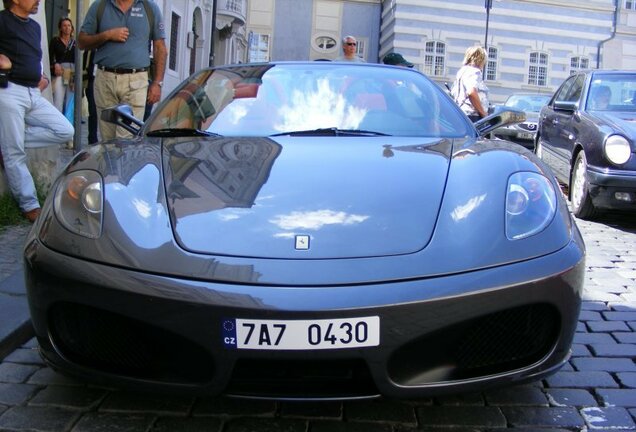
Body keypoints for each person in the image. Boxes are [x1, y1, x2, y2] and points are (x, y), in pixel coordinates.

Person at [0, 0, 75, 222]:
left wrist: (41, 75)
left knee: (65, 130)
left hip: (34, 92)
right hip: (9, 91)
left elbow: (35, 56)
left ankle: (8, 143)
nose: (39, 1)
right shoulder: (2, 21)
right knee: (15, 154)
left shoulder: (35, 26)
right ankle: (29, 204)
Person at [78, 0, 167, 141]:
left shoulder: (150, 8)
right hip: (105, 79)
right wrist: (106, 35)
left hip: (136, 81)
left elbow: (160, 47)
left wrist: (157, 82)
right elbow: (81, 41)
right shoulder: (100, 6)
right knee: (107, 140)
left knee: (126, 140)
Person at [451, 46, 490, 122]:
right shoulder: (474, 72)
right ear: (480, 59)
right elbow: (471, 92)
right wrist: (483, 113)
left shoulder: (462, 71)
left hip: (461, 113)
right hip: (472, 115)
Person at [49, 17, 76, 113]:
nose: (67, 28)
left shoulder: (75, 43)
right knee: (58, 100)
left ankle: (68, 125)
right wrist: (55, 64)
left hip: (72, 73)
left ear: (72, 28)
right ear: (60, 28)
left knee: (70, 102)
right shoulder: (55, 41)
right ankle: (57, 125)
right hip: (60, 73)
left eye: (69, 25)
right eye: (64, 25)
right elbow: (50, 57)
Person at [83, 49, 98, 144]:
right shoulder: (90, 50)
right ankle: (92, 139)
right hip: (92, 80)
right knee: (93, 110)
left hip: (104, 80)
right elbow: (85, 66)